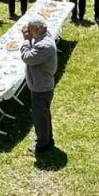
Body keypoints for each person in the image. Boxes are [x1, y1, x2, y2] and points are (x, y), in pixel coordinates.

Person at [20, 14, 57, 154]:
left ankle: (42, 145)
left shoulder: (44, 45)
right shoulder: (43, 38)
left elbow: (27, 58)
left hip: (41, 87)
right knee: (44, 115)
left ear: (38, 28)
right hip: (42, 84)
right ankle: (48, 140)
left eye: (30, 29)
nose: (28, 32)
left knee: (40, 117)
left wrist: (26, 41)